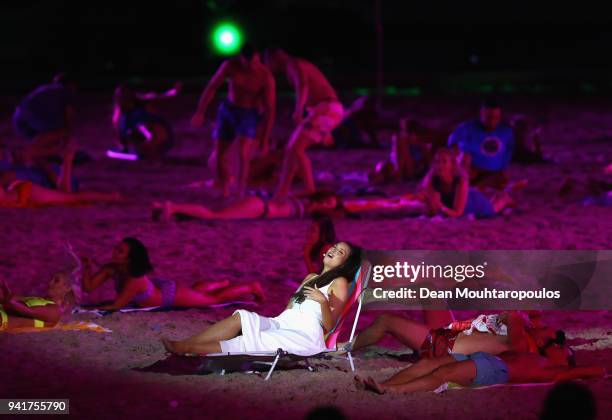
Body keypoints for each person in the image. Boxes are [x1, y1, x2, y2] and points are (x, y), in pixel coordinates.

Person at [162, 242, 362, 356]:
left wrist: (322, 301)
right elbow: (289, 308)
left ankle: (188, 349)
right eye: (335, 246)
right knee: (242, 317)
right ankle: (188, 344)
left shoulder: (340, 282)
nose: (334, 250)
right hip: (282, 321)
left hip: (303, 334)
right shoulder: (310, 277)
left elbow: (329, 325)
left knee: (253, 340)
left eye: (340, 252)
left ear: (345, 263)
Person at [355, 314, 605, 394]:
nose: (540, 327)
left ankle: (340, 347)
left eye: (545, 331)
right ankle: (383, 385)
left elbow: (592, 371)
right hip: (456, 342)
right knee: (432, 365)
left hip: (449, 344)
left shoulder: (532, 350)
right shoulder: (529, 344)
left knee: (442, 371)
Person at [81, 238, 264, 311]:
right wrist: (87, 267)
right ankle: (220, 283)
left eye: (119, 251)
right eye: (116, 249)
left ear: (129, 258)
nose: (114, 252)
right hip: (159, 288)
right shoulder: (110, 268)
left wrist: (88, 310)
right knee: (196, 292)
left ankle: (251, 287)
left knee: (212, 300)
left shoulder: (135, 280)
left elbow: (116, 306)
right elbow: (88, 288)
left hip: (169, 296)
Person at [191, 44, 276, 197]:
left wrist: (265, 138)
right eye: (248, 62)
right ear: (241, 58)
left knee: (243, 153)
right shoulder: (230, 66)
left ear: (259, 59)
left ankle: (240, 190)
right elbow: (212, 87)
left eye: (255, 62)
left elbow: (270, 109)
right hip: (228, 110)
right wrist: (200, 111)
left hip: (249, 113)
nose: (251, 66)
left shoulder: (265, 76)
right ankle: (224, 188)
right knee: (220, 153)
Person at [264, 48, 344, 198]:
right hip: (321, 111)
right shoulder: (294, 66)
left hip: (326, 109)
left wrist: (299, 110)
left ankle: (309, 189)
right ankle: (281, 192)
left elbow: (303, 85)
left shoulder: (294, 64)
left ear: (275, 58)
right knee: (291, 149)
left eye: (268, 63)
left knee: (296, 148)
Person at [0, 145, 121, 207]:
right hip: (23, 191)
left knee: (72, 197)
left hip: (25, 192)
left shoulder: (14, 172)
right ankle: (111, 197)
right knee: (72, 197)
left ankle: (111, 197)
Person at [421, 148, 514, 218]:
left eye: (444, 162)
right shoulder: (431, 179)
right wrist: (432, 203)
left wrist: (440, 206)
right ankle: (501, 194)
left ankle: (505, 197)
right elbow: (433, 212)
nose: (439, 165)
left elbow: (457, 213)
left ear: (452, 164)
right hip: (454, 203)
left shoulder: (460, 179)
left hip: (472, 203)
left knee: (493, 209)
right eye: (437, 162)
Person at [448, 98, 514, 190]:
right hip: (471, 171)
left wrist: (502, 168)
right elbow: (452, 144)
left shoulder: (506, 132)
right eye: (489, 117)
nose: (492, 121)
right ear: (481, 114)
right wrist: (460, 161)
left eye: (496, 118)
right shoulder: (467, 128)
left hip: (494, 172)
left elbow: (508, 152)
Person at [12, 73, 77, 166]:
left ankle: (36, 155)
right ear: (71, 85)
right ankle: (25, 154)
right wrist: (69, 135)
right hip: (33, 118)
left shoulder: (46, 88)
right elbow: (69, 115)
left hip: (18, 117)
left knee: (51, 141)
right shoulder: (65, 91)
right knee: (61, 132)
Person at [152, 190, 343, 221]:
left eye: (330, 205)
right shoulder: (305, 202)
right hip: (260, 207)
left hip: (259, 208)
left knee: (215, 214)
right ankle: (173, 207)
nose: (326, 205)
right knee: (215, 215)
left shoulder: (309, 210)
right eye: (327, 201)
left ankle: (164, 208)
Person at [110, 82, 180, 159]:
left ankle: (149, 148)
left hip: (156, 135)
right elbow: (118, 128)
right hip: (141, 133)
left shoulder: (138, 109)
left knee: (137, 122)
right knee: (129, 127)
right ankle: (146, 148)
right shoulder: (122, 116)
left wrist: (173, 92)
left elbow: (158, 97)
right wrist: (123, 146)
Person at [0, 274, 77, 330]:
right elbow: (9, 298)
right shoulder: (38, 299)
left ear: (67, 288)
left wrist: (3, 287)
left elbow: (22, 309)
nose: (50, 283)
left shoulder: (55, 310)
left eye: (56, 281)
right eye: (51, 279)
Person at [369, 119, 433, 184]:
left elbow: (428, 162)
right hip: (401, 168)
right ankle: (396, 174)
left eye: (405, 132)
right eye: (402, 131)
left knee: (398, 140)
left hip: (409, 170)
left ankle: (398, 174)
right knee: (385, 165)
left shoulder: (422, 146)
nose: (403, 134)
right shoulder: (403, 143)